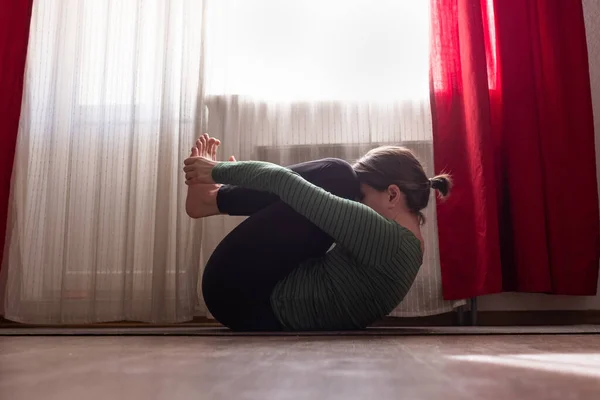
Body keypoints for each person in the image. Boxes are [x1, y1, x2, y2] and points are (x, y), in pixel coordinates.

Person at [183, 134, 451, 331]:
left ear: (392, 194)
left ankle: (212, 199)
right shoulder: (410, 247)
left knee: (339, 176)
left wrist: (218, 170)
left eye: (362, 196)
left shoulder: (387, 240)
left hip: (237, 295)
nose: (355, 202)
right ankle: (215, 198)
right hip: (250, 304)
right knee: (330, 186)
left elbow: (282, 181)